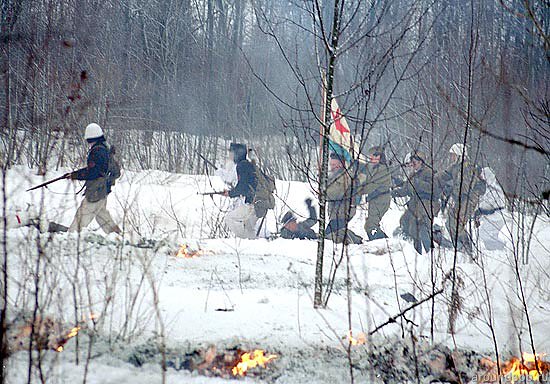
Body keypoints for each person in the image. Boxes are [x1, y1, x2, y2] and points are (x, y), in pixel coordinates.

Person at [67, 123, 121, 234]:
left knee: (81, 217)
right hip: (103, 189)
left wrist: (75, 175)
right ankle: (117, 236)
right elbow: (96, 169)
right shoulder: (105, 148)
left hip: (96, 192)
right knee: (102, 216)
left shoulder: (97, 152)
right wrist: (75, 174)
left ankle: (70, 238)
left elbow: (93, 172)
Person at [438, 143, 486, 253]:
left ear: (460, 155)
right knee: (450, 221)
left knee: (456, 223)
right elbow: (443, 175)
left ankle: (467, 248)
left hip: (469, 199)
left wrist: (450, 190)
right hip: (461, 199)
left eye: (454, 155)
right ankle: (458, 246)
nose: (452, 157)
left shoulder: (468, 168)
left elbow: (464, 188)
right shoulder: (455, 167)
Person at [392, 150, 440, 254]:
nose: (413, 164)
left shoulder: (429, 172)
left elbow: (434, 189)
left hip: (427, 203)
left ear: (421, 162)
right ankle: (416, 253)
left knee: (423, 228)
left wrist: (418, 183)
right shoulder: (413, 175)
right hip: (416, 203)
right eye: (412, 162)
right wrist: (394, 193)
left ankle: (431, 254)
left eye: (415, 162)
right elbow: (406, 189)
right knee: (405, 221)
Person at [223, 143, 259, 238]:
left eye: (231, 153)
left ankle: (245, 242)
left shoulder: (242, 165)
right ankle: (252, 243)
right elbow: (246, 185)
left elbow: (242, 187)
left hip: (251, 203)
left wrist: (230, 193)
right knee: (248, 228)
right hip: (257, 202)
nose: (230, 156)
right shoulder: (247, 164)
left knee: (230, 218)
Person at [325, 152, 363, 244]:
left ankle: (352, 241)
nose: (332, 166)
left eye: (334, 164)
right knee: (336, 231)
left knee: (329, 235)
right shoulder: (335, 175)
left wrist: (323, 192)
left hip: (343, 211)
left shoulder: (344, 176)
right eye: (331, 164)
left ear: (340, 164)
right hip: (337, 211)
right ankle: (355, 239)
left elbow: (335, 194)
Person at [356, 146, 392, 241]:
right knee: (370, 225)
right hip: (376, 199)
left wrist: (356, 190)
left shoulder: (382, 169)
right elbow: (366, 167)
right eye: (371, 156)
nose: (372, 159)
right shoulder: (375, 167)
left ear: (380, 157)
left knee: (371, 226)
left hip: (381, 200)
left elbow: (370, 186)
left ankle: (383, 244)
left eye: (375, 156)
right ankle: (382, 242)